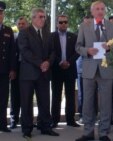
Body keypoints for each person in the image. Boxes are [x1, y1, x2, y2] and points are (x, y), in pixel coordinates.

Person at [75, 1, 113, 141]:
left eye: (102, 9)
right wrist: (87, 50)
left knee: (106, 102)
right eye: (97, 9)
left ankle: (103, 133)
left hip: (107, 69)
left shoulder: (112, 26)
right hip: (89, 69)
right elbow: (77, 46)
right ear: (92, 11)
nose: (100, 11)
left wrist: (110, 48)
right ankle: (88, 132)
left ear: (105, 11)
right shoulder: (84, 26)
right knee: (88, 101)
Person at [18, 8, 59, 138]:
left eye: (44, 17)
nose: (43, 19)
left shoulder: (48, 33)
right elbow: (25, 51)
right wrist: (40, 63)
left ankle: (45, 126)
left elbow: (53, 51)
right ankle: (27, 129)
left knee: (45, 102)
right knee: (26, 103)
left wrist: (48, 62)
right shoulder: (24, 32)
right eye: (40, 17)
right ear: (33, 18)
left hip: (44, 73)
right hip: (28, 74)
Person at [50, 15, 80, 128]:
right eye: (61, 22)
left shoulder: (74, 36)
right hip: (56, 69)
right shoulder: (51, 36)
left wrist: (69, 62)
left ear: (68, 23)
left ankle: (70, 120)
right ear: (57, 23)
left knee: (70, 96)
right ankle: (54, 120)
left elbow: (77, 51)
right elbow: (50, 51)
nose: (63, 24)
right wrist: (59, 62)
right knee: (56, 96)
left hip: (70, 69)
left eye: (65, 22)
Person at [10, 16, 29, 129]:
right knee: (15, 95)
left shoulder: (31, 37)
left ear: (27, 24)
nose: (21, 25)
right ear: (17, 25)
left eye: (23, 23)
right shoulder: (14, 38)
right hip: (16, 69)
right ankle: (14, 119)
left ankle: (26, 120)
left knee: (27, 95)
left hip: (28, 69)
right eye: (19, 24)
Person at [0, 1, 16, 132]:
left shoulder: (8, 30)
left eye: (1, 13)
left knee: (3, 98)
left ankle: (2, 124)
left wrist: (12, 69)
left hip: (4, 71)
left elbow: (12, 52)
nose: (0, 15)